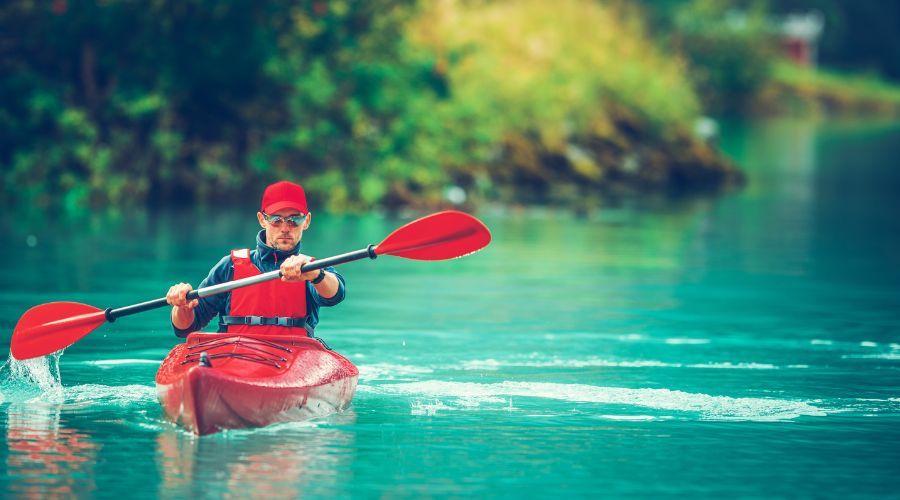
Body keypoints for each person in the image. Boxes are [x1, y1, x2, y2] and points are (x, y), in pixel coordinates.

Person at [165, 180, 345, 341]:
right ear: (262, 219)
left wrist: (316, 274)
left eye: (294, 220)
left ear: (306, 221)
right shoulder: (230, 266)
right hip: (234, 359)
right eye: (276, 219)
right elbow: (185, 328)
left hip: (294, 362)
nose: (285, 228)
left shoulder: (312, 267)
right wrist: (182, 307)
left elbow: (335, 294)